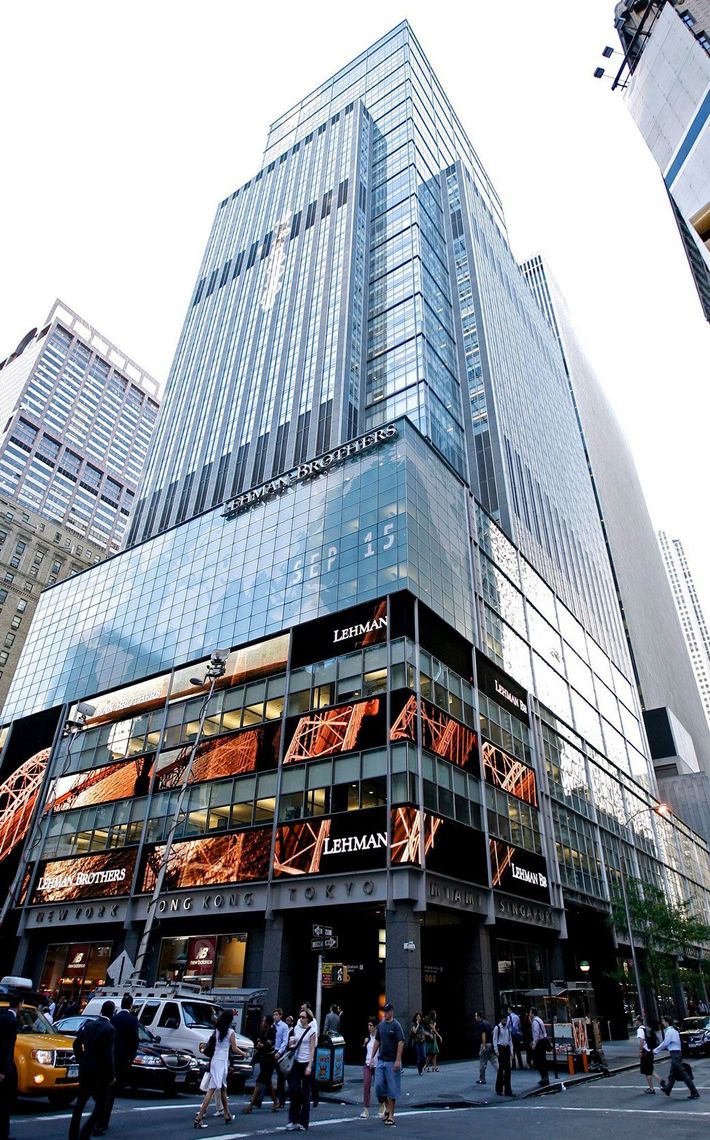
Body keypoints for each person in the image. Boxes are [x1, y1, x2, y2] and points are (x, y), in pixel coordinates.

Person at [69, 1000, 116, 1140]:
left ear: (101, 1010)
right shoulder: (110, 1029)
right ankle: (85, 1132)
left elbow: (76, 1043)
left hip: (85, 1067)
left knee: (80, 1104)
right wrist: (111, 1075)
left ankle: (73, 1135)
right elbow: (108, 1055)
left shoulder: (90, 1025)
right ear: (112, 1012)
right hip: (99, 1071)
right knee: (101, 1103)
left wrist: (81, 1058)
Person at [95, 993, 139, 1133]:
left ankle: (99, 1119)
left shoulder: (113, 1019)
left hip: (108, 1056)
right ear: (131, 1006)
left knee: (103, 1089)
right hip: (121, 1059)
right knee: (111, 1092)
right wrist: (130, 1058)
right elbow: (134, 1041)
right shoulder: (132, 1020)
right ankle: (103, 1122)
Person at [194, 1009, 246, 1127]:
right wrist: (244, 1054)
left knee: (222, 1088)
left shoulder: (217, 1030)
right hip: (222, 1062)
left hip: (215, 1060)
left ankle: (226, 1114)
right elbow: (234, 1048)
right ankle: (199, 1117)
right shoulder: (230, 1032)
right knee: (214, 1089)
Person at [371, 1002, 405, 1127]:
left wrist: (398, 1060)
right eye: (384, 1011)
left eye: (387, 1011)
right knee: (379, 1087)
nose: (385, 1013)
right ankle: (387, 1107)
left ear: (391, 1012)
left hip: (392, 1061)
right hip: (381, 1060)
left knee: (392, 1089)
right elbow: (377, 1041)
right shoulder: (381, 1025)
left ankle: (391, 1115)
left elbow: (401, 1042)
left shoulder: (396, 1025)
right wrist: (372, 1058)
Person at [654, 1015, 700, 1099]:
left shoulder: (669, 1032)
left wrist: (656, 1050)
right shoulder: (674, 1031)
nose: (662, 1023)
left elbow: (665, 1043)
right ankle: (667, 1089)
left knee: (683, 1074)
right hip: (677, 1053)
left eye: (663, 1021)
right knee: (672, 1074)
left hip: (674, 1054)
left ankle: (694, 1092)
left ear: (667, 1022)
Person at [285, 1009, 317, 1132]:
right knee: (294, 1090)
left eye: (303, 1017)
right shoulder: (296, 1028)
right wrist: (291, 1044)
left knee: (305, 1092)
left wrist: (309, 1065)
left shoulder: (312, 1031)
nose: (301, 1019)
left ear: (308, 1019)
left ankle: (304, 1122)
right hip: (297, 1061)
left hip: (306, 1062)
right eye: (300, 1016)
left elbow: (312, 1049)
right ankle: (293, 1120)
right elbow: (292, 1043)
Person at [243, 1015, 277, 1113]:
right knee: (268, 1082)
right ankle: (275, 1101)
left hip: (269, 1060)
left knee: (259, 1082)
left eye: (264, 1021)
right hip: (263, 1059)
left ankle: (250, 1105)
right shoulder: (263, 1032)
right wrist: (260, 1044)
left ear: (267, 1023)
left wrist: (262, 1045)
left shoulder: (272, 1032)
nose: (262, 1023)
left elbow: (268, 1045)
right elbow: (259, 1042)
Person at [0, 993, 21, 1140]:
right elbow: (6, 1047)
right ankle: (3, 1132)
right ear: (20, 1004)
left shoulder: (2, 1017)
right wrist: (2, 1070)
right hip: (4, 1067)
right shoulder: (12, 1021)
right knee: (5, 1101)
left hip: (4, 1065)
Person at [634, 1015, 662, 1094]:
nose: (635, 1022)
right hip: (650, 1051)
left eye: (636, 1021)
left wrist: (640, 1051)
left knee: (647, 1071)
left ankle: (652, 1088)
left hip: (645, 1052)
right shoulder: (646, 1028)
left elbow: (641, 1041)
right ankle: (660, 1081)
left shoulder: (640, 1030)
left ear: (638, 1021)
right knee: (650, 1069)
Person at [360, 1017, 378, 1118]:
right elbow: (365, 1050)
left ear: (375, 1027)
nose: (369, 1027)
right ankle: (365, 1109)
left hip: (377, 1065)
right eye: (368, 1025)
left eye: (371, 1025)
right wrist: (364, 1043)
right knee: (366, 1085)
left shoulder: (379, 1038)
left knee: (379, 1086)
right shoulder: (368, 1038)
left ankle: (382, 1105)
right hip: (367, 1064)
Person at [493, 1014, 513, 1097]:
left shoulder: (508, 1028)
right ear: (501, 1020)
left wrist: (511, 1051)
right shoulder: (497, 1028)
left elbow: (510, 1040)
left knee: (508, 1070)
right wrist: (496, 1050)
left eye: (506, 1020)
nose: (505, 1022)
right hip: (500, 1048)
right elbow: (494, 1039)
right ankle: (499, 1089)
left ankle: (508, 1090)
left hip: (506, 1048)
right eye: (504, 1020)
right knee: (501, 1069)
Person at [273, 1007, 289, 1109]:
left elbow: (285, 1041)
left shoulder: (284, 1026)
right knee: (267, 1075)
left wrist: (279, 1052)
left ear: (280, 1016)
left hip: (280, 1052)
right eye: (274, 1015)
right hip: (272, 1050)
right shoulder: (272, 1025)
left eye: (276, 1015)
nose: (275, 1017)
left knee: (280, 1077)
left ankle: (281, 1099)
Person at [530, 1007, 550, 1088]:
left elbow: (536, 1034)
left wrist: (534, 1044)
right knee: (542, 1060)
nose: (529, 1014)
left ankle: (544, 1077)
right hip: (542, 1041)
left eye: (530, 1013)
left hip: (539, 1043)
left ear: (533, 1013)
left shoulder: (535, 1022)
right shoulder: (539, 1020)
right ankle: (545, 1077)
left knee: (538, 1061)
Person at [474, 1011, 496, 1084]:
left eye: (476, 1016)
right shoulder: (487, 1023)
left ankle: (482, 1079)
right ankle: (502, 1074)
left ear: (479, 1016)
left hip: (485, 1044)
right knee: (494, 1061)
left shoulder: (481, 1024)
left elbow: (483, 1035)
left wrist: (483, 1046)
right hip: (490, 1044)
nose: (475, 1017)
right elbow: (492, 1032)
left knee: (482, 1063)